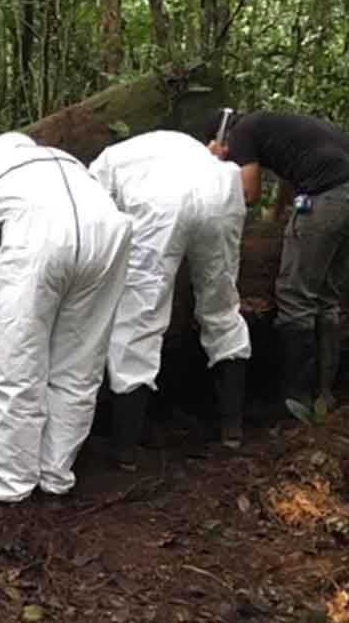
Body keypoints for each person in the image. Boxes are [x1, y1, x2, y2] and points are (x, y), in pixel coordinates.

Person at [0, 132, 132, 505]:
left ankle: (10, 487)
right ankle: (56, 476)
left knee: (19, 365)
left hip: (41, 236)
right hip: (108, 237)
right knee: (79, 367)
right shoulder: (71, 162)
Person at [88, 130, 252, 468]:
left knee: (138, 321)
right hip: (221, 190)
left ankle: (125, 449)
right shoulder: (168, 145)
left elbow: (98, 226)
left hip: (160, 204)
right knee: (222, 307)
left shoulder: (102, 166)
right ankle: (231, 430)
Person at [208, 110, 349, 410]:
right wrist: (276, 219)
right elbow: (293, 176)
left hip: (332, 195)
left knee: (295, 296)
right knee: (326, 296)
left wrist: (218, 160)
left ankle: (295, 400)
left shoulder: (240, 134)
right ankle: (324, 394)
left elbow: (249, 194)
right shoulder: (276, 126)